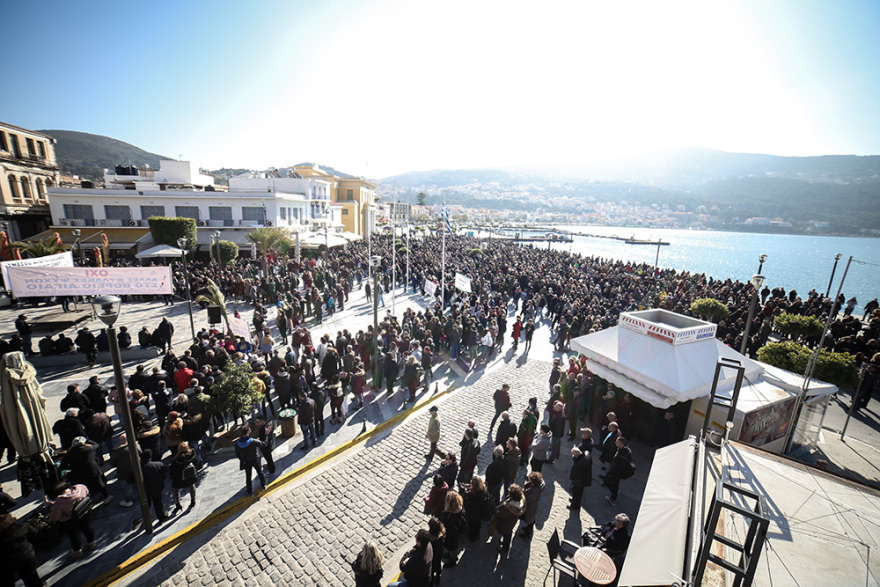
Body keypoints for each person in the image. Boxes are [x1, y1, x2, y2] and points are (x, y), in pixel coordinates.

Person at [48, 481, 96, 559]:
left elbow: (55, 518)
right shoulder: (79, 488)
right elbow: (87, 490)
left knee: (74, 535)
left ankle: (77, 551)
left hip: (70, 520)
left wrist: (53, 506)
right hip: (84, 512)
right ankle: (91, 543)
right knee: (87, 527)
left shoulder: (58, 503)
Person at [0, 512, 43, 586]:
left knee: (7, 581)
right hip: (26, 556)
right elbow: (35, 535)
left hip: (6, 563)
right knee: (31, 577)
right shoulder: (23, 527)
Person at [61, 436, 109, 502]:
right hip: (92, 470)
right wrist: (87, 440)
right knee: (99, 483)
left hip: (79, 473)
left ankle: (88, 499)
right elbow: (96, 445)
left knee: (85, 485)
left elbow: (63, 466)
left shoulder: (69, 454)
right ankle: (106, 497)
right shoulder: (86, 449)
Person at [492, 483, 525, 553]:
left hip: (505, 524)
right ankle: (505, 543)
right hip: (511, 523)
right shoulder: (519, 503)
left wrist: (496, 512)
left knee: (506, 534)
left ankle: (505, 547)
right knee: (508, 533)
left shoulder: (509, 508)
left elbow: (500, 514)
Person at [109, 434, 139, 507]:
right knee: (138, 483)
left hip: (123, 472)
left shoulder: (116, 452)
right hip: (135, 469)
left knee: (127, 487)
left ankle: (128, 500)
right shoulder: (135, 446)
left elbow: (113, 463)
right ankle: (142, 495)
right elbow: (140, 453)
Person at [234, 428, 266, 496]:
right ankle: (263, 485)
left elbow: (237, 454)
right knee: (260, 472)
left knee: (248, 476)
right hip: (255, 459)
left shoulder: (238, 443)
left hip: (246, 461)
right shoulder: (253, 441)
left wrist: (242, 459)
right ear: (248, 432)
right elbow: (263, 444)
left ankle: (250, 491)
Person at [603, 436, 633, 506]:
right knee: (614, 484)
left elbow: (616, 466)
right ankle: (614, 493)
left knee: (610, 483)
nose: (615, 443)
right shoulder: (627, 451)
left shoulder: (621, 456)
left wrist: (611, 473)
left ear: (621, 444)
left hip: (616, 472)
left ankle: (613, 497)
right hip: (619, 472)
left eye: (617, 442)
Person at [140, 449, 168, 522]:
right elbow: (164, 473)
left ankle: (147, 519)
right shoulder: (158, 465)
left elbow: (130, 479)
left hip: (144, 490)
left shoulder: (138, 469)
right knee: (158, 502)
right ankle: (161, 516)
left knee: (146, 505)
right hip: (156, 487)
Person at [170, 442, 198, 512]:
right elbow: (197, 462)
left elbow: (172, 471)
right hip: (190, 476)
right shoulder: (192, 455)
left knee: (175, 490)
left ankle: (178, 504)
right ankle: (193, 501)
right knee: (191, 487)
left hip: (179, 480)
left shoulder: (176, 460)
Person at [440, 491, 465, 568]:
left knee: (452, 548)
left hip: (451, 535)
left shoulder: (450, 516)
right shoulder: (460, 509)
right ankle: (451, 555)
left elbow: (446, 525)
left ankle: (453, 560)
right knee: (452, 548)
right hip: (456, 533)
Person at [520, 471, 545, 538]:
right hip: (532, 506)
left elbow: (528, 500)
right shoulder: (536, 486)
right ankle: (528, 529)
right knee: (531, 519)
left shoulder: (535, 491)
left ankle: (527, 533)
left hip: (531, 507)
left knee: (530, 520)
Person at [569, 446, 592, 510]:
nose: (573, 456)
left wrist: (574, 480)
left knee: (577, 493)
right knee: (577, 493)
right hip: (581, 480)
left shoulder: (580, 464)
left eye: (573, 455)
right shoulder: (585, 454)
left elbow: (578, 474)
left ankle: (575, 506)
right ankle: (574, 501)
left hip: (579, 481)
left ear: (577, 455)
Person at [427, 517, 445, 586]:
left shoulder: (430, 538)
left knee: (431, 570)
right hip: (439, 553)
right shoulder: (441, 533)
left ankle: (431, 583)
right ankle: (438, 578)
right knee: (438, 565)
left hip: (432, 555)